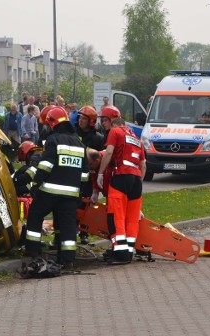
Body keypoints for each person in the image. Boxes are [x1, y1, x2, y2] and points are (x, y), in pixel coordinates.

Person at [24, 107, 88, 268]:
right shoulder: (80, 144)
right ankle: (67, 259)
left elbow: (45, 166)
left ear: (53, 123)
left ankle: (33, 251)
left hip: (50, 192)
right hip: (71, 195)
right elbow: (85, 174)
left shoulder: (54, 140)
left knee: (35, 215)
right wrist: (80, 192)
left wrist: (35, 184)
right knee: (67, 225)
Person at [97, 116, 146, 265]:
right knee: (132, 220)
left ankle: (120, 254)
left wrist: (100, 172)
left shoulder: (115, 131)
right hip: (137, 180)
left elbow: (109, 152)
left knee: (116, 216)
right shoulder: (138, 139)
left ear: (115, 124)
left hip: (121, 177)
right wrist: (137, 181)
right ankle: (128, 253)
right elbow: (143, 165)